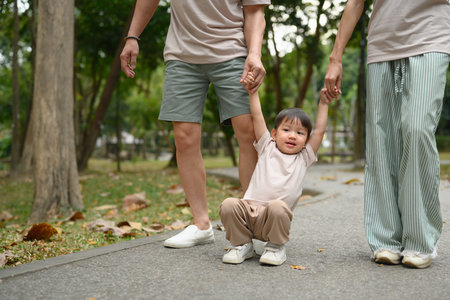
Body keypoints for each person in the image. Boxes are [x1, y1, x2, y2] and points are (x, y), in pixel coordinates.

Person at [120, 0, 270, 248]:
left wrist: (254, 53)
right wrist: (132, 36)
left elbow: (255, 11)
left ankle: (252, 223)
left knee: (248, 132)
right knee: (184, 137)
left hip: (233, 53)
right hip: (182, 55)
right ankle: (201, 224)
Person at [324, 0, 450, 268]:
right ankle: (386, 239)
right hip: (382, 43)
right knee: (381, 141)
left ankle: (420, 239)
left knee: (417, 129)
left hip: (431, 37)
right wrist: (335, 57)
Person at [219, 72, 335, 265]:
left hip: (274, 219)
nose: (292, 136)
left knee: (278, 206)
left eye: (300, 133)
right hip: (248, 213)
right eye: (286, 130)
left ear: (306, 140)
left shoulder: (303, 157)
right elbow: (257, 117)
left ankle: (275, 247)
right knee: (229, 204)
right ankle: (241, 244)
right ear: (274, 133)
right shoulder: (266, 146)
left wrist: (324, 103)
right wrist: (252, 93)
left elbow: (320, 131)